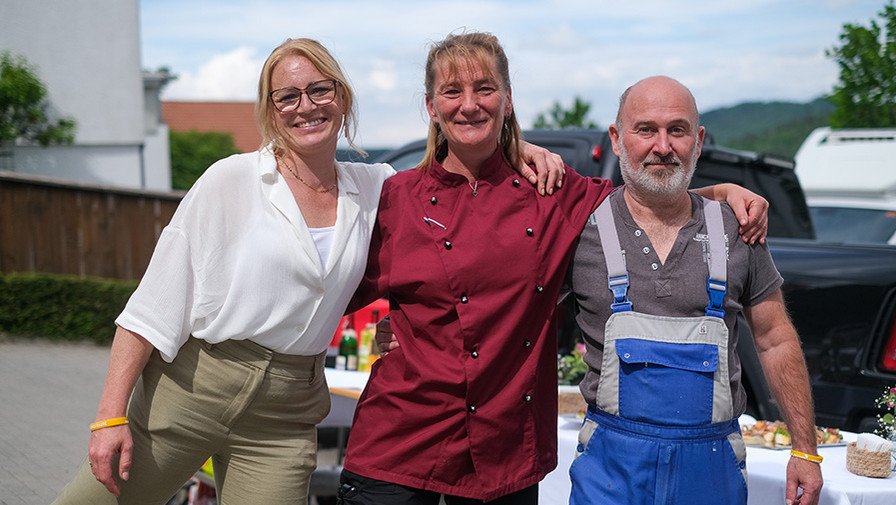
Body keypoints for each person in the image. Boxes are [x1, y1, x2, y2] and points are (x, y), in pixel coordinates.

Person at [52, 36, 571, 505]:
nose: (306, 106)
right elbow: (149, 309)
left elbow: (459, 174)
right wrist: (110, 416)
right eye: (288, 97)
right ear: (272, 111)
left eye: (319, 90)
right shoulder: (230, 180)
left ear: (341, 98)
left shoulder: (378, 189)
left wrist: (513, 145)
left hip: (286, 411)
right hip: (193, 388)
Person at [337, 32, 769, 505]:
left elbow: (645, 199)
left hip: (503, 448)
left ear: (507, 100)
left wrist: (720, 194)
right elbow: (329, 293)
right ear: (430, 106)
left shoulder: (553, 192)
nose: (469, 104)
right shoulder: (397, 199)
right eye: (451, 91)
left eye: (485, 88)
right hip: (400, 439)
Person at [567, 76, 823, 505]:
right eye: (645, 129)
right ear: (616, 138)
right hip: (611, 471)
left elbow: (776, 339)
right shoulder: (579, 229)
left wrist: (806, 450)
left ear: (698, 140)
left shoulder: (738, 230)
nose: (662, 146)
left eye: (678, 130)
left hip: (711, 472)